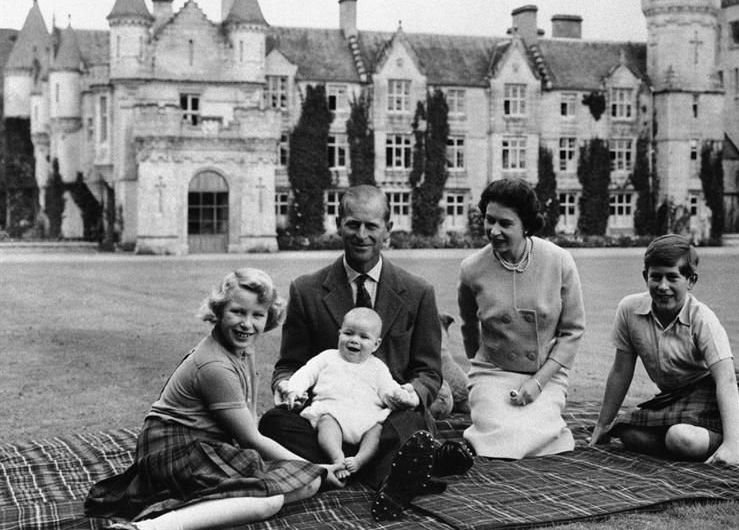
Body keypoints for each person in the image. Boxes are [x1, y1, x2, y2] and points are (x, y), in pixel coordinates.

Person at [258, 184, 474, 521]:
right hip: (327, 423)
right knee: (273, 423)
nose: (362, 235)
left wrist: (411, 393)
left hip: (386, 422)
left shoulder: (418, 292)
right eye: (353, 224)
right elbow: (290, 364)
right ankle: (399, 470)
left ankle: (347, 469)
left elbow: (429, 372)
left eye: (371, 226)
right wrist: (286, 388)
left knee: (413, 421)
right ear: (338, 224)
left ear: (388, 229)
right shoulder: (307, 289)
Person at [85, 268, 344, 530]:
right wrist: (320, 468)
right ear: (219, 311)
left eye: (258, 315)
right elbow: (251, 439)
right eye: (238, 312)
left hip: (205, 447)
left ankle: (212, 505)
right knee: (272, 499)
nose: (247, 324)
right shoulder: (214, 365)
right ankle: (148, 528)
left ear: (269, 317)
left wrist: (311, 471)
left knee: (306, 482)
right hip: (175, 450)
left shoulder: (244, 349)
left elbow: (250, 422)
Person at [589, 235, 739, 466]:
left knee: (681, 438)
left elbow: (726, 380)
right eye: (656, 277)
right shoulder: (629, 310)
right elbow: (621, 371)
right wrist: (601, 426)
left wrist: (731, 447)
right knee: (627, 432)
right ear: (645, 277)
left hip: (716, 391)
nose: (663, 286)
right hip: (673, 397)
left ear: (691, 280)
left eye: (672, 277)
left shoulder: (702, 319)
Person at [458, 178, 586, 459]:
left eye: (505, 223)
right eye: (489, 220)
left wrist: (538, 382)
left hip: (545, 374)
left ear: (526, 225)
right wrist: (483, 368)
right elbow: (468, 327)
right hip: (492, 372)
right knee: (499, 431)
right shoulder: (471, 269)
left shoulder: (559, 261)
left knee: (534, 432)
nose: (494, 231)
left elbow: (573, 331)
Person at [279, 307, 417, 480]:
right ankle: (337, 458)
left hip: (366, 418)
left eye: (364, 337)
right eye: (348, 333)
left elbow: (388, 389)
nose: (354, 340)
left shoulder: (378, 367)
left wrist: (400, 395)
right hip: (333, 412)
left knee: (376, 431)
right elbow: (306, 373)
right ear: (339, 334)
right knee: (326, 423)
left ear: (376, 344)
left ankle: (360, 460)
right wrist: (294, 389)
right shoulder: (327, 358)